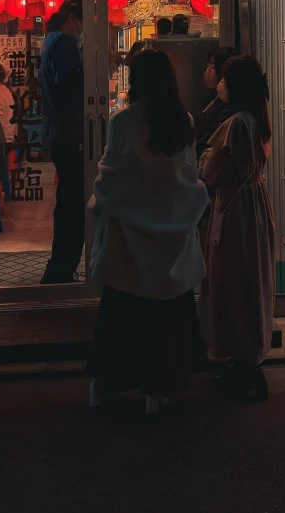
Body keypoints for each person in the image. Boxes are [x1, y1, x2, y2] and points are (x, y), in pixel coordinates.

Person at [87, 50, 209, 414]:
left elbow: (112, 177)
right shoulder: (182, 121)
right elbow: (188, 177)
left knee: (122, 313)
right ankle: (163, 382)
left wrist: (104, 201)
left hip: (128, 236)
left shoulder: (124, 122)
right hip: (173, 238)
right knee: (167, 313)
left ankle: (109, 382)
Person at [198, 55, 275, 402]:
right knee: (250, 281)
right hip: (251, 206)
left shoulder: (236, 124)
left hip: (233, 209)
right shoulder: (255, 119)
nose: (220, 84)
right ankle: (246, 358)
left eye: (225, 79)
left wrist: (204, 159)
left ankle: (240, 361)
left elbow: (210, 170)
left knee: (231, 282)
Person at [39, 0, 85, 284]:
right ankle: (61, 269)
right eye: (82, 20)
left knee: (68, 199)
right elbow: (68, 85)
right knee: (72, 203)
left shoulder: (50, 40)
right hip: (69, 133)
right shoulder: (65, 42)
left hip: (59, 131)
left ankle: (61, 267)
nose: (82, 27)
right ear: (72, 18)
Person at [194, 47, 238, 245]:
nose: (208, 71)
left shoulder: (231, 113)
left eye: (213, 66)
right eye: (208, 65)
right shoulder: (211, 100)